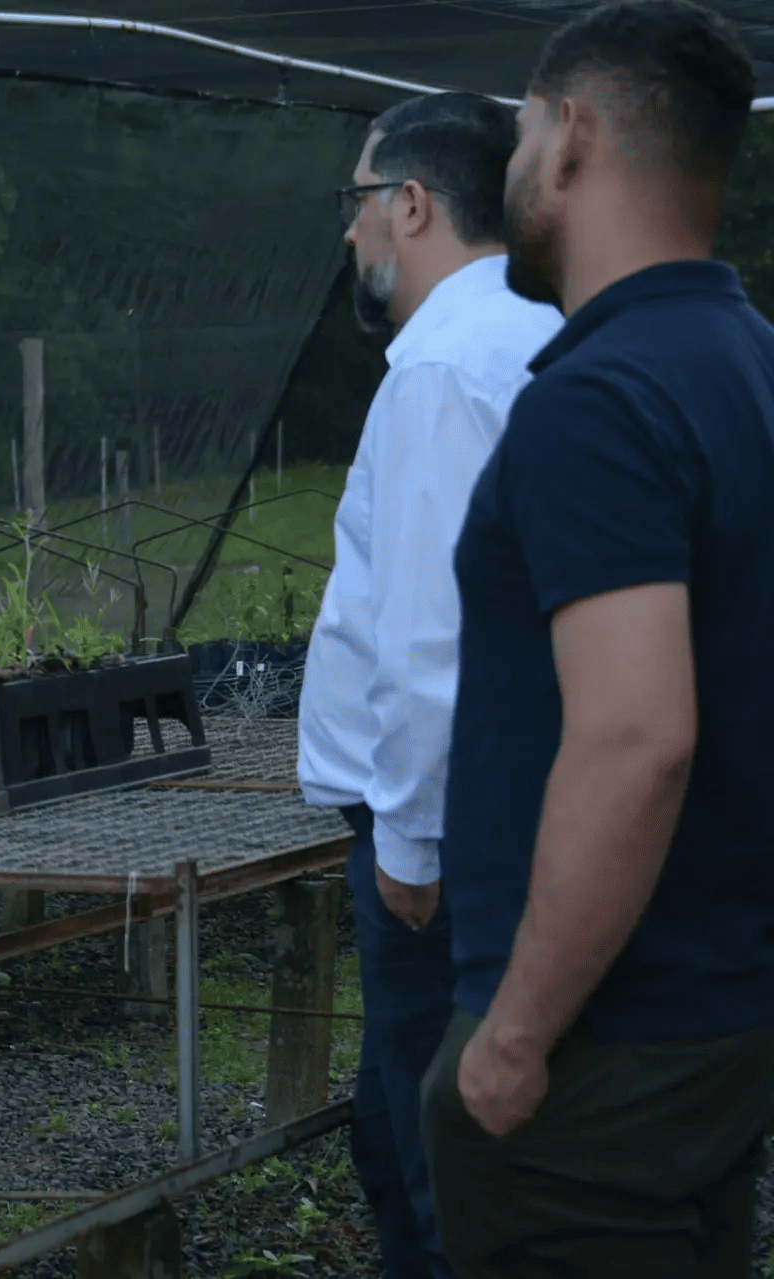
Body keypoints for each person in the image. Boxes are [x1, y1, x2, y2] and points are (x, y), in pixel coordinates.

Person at [419, 3, 774, 1274]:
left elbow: (637, 740)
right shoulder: (748, 363)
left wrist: (515, 1034)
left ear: (569, 137)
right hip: (715, 1027)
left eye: (518, 129)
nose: (511, 166)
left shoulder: (602, 400)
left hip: (597, 1063)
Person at [297, 94, 561, 1279]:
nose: (350, 235)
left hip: (443, 842)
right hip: (514, 808)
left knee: (430, 1149)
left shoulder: (444, 371)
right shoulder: (537, 333)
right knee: (431, 1127)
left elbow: (429, 637)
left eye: (358, 204)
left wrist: (409, 843)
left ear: (409, 205)